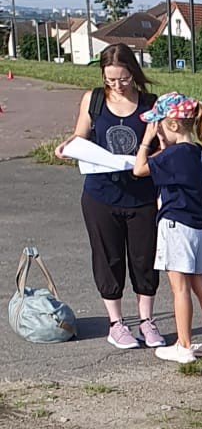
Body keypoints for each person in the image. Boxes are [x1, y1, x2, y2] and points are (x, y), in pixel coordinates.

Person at [54, 44, 165, 348]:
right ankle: (116, 323)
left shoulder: (150, 104)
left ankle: (146, 321)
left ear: (134, 72)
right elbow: (81, 135)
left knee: (144, 258)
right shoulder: (94, 99)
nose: (117, 85)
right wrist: (67, 147)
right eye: (111, 79)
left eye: (124, 79)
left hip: (141, 194)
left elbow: (162, 145)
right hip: (100, 194)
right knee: (108, 257)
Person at [129, 92, 202, 364]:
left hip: (176, 226)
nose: (156, 129)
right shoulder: (195, 151)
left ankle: (183, 345)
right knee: (201, 285)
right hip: (197, 228)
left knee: (180, 289)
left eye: (158, 124)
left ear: (172, 125)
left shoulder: (172, 155)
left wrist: (146, 141)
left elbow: (139, 169)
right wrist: (163, 143)